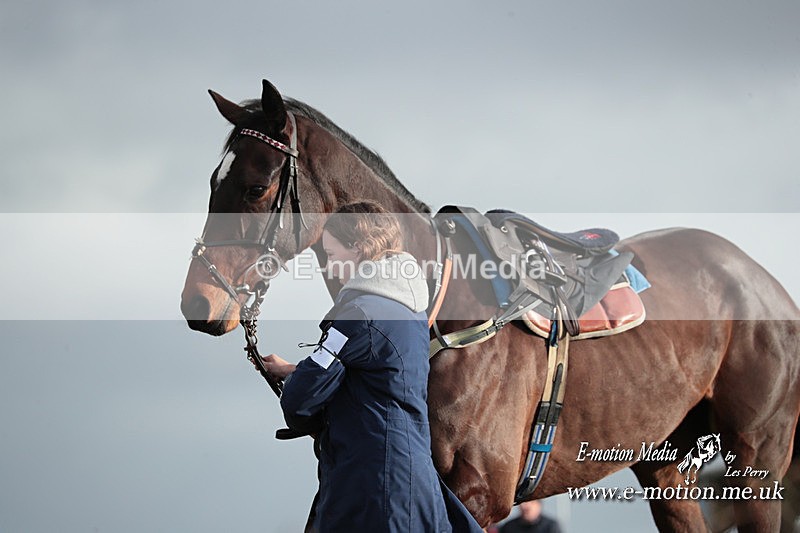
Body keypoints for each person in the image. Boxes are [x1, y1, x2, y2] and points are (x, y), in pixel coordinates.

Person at [261, 201, 483, 533]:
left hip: (373, 491)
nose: (330, 269)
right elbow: (369, 376)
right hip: (405, 482)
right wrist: (297, 370)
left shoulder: (357, 314)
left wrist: (299, 381)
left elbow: (301, 400)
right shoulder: (407, 310)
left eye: (332, 256)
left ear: (360, 248)